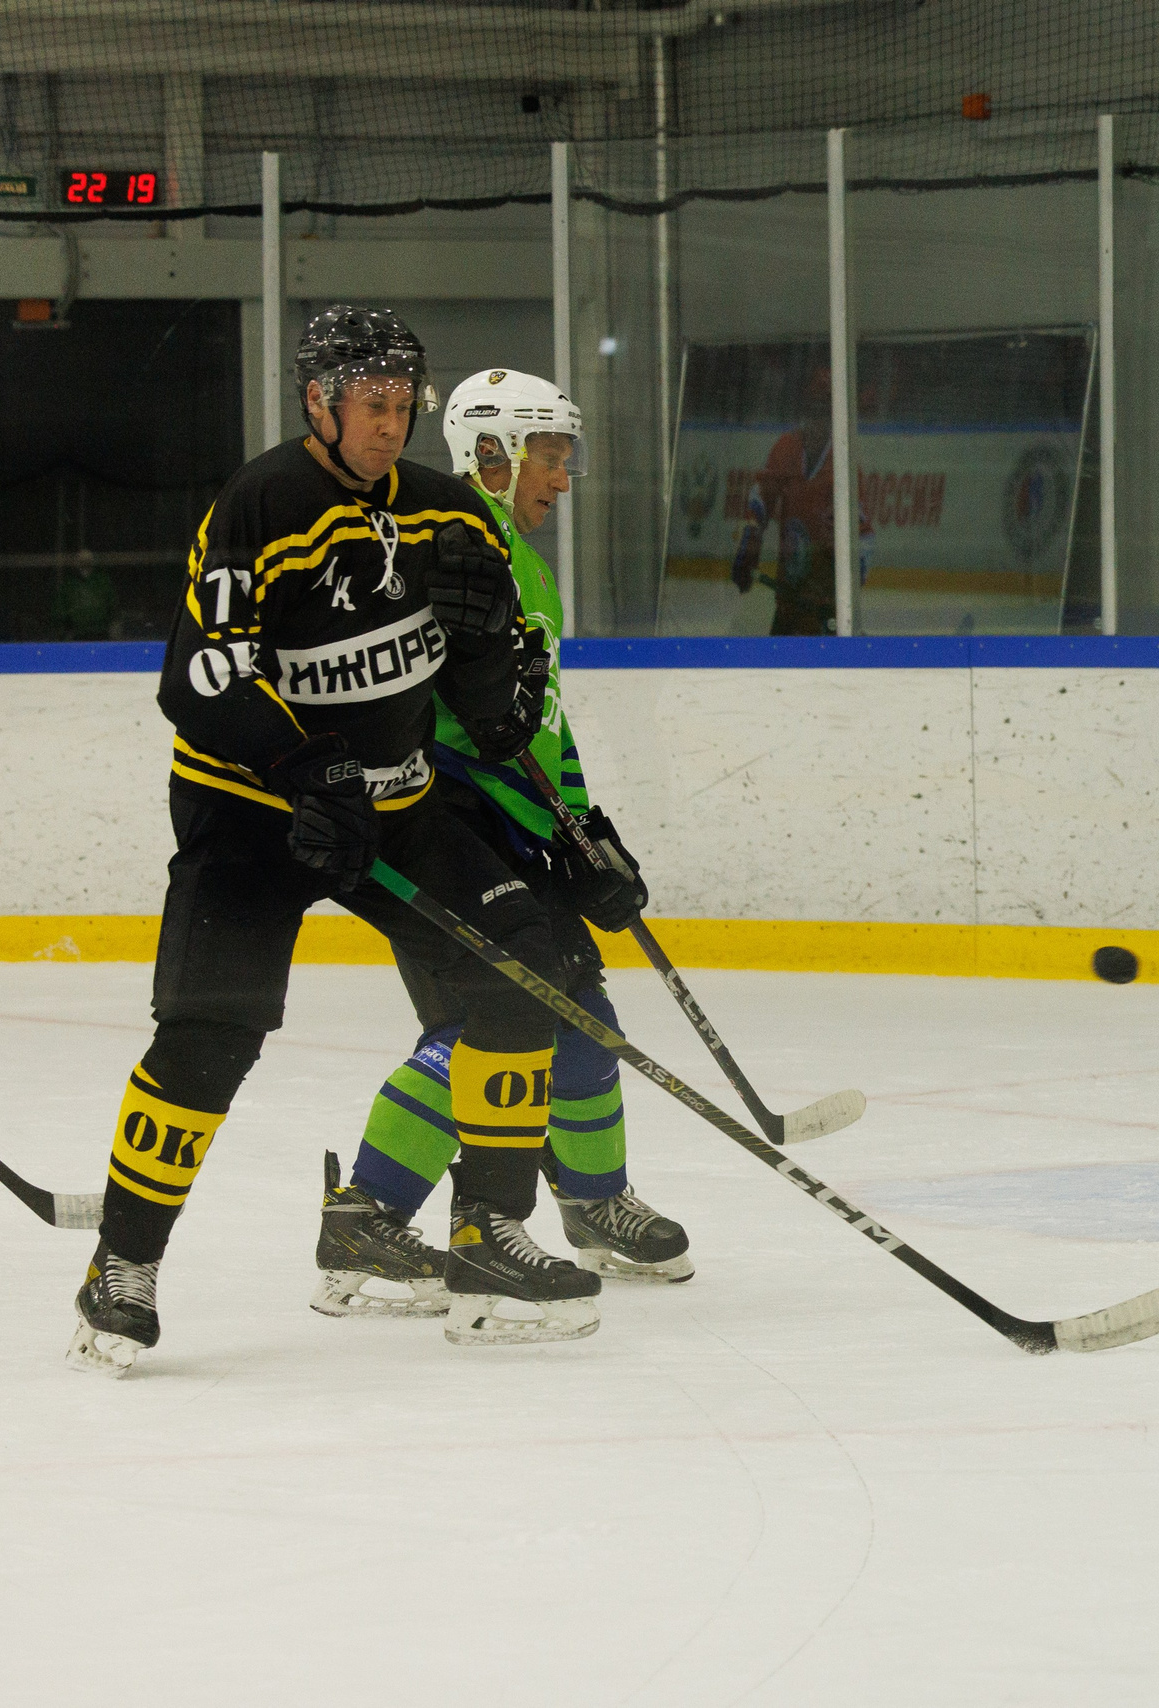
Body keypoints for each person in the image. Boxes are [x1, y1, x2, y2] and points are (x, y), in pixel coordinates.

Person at [67, 305, 596, 1377]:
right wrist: (307, 767)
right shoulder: (260, 504)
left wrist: (501, 682)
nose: (390, 427)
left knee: (518, 968)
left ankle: (486, 1236)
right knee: (210, 1031)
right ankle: (122, 1266)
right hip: (252, 813)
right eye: (372, 407)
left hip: (395, 806)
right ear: (320, 401)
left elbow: (486, 702)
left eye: (405, 407)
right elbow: (198, 679)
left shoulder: (449, 513)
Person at [314, 367, 691, 1322]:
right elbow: (438, 716)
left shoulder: (523, 562)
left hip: (513, 825)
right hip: (444, 826)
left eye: (566, 457)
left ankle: (593, 1201)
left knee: (579, 1007)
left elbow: (540, 724)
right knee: (487, 1021)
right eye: (550, 456)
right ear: (492, 454)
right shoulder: (448, 550)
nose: (563, 477)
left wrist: (582, 827)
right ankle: (369, 1213)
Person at [730, 364, 870, 636]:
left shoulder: (845, 465)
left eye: (826, 411)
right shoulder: (787, 448)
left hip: (826, 611)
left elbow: (864, 536)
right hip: (788, 603)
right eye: (815, 409)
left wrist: (849, 571)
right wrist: (751, 536)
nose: (819, 420)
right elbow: (761, 495)